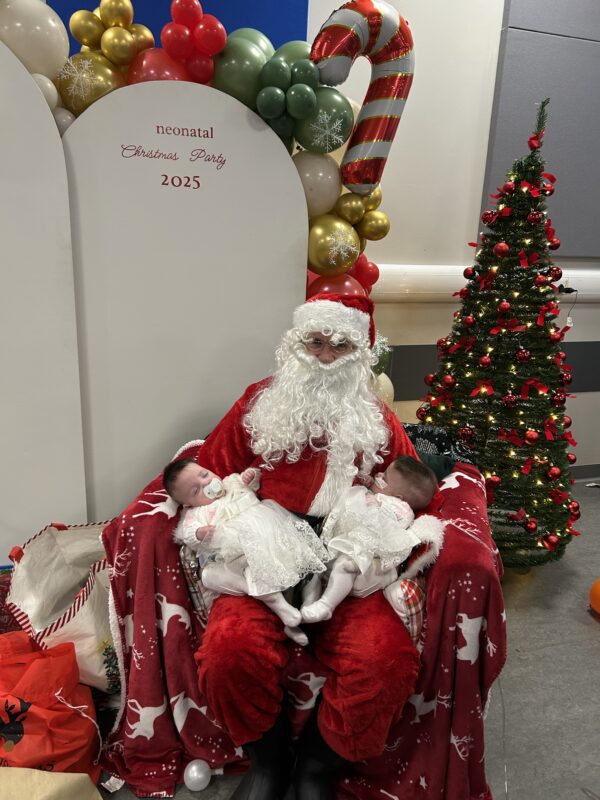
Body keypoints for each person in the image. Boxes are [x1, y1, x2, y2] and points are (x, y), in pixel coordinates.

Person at [192, 293, 431, 800]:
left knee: (384, 660)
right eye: (315, 341)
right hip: (267, 550)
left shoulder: (375, 417)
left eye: (340, 345)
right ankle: (269, 762)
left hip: (344, 555)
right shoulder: (258, 403)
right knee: (229, 651)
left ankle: (318, 767)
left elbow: (415, 485)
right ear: (295, 343)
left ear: (358, 353)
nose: (325, 355)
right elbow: (209, 473)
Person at [162, 459, 328, 645]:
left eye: (204, 474)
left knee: (306, 563)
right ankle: (284, 612)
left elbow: (252, 483)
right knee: (214, 575)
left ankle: (309, 605)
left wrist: (250, 477)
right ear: (188, 504)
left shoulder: (231, 482)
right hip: (238, 550)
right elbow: (187, 533)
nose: (206, 483)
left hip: (269, 531)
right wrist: (199, 533)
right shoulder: (195, 513)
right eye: (196, 490)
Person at [301, 455, 442, 624]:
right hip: (352, 551)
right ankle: (308, 606)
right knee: (316, 566)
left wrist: (377, 508)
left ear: (399, 497)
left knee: (345, 565)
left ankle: (326, 606)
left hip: (374, 568)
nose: (379, 475)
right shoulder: (373, 494)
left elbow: (389, 531)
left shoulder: (400, 509)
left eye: (385, 478)